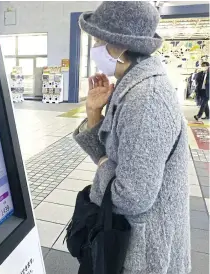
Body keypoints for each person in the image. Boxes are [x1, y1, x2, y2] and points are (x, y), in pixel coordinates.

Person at [74, 2, 190, 274]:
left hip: (143, 253)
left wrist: (103, 164)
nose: (93, 47)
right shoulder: (131, 85)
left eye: (98, 40)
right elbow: (117, 158)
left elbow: (131, 196)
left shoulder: (146, 99)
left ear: (120, 47)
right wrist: (94, 114)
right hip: (130, 242)